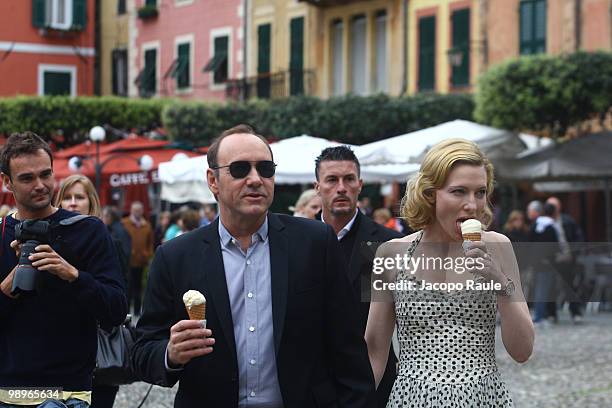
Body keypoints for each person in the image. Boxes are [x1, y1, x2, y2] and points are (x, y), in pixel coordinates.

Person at [132, 125, 375, 408]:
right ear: (213, 180)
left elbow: (348, 348)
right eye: (239, 169)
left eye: (265, 169)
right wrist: (170, 353)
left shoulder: (315, 243)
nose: (255, 179)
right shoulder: (175, 257)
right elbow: (142, 352)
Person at [365, 139, 534, 407]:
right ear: (430, 194)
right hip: (412, 399)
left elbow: (522, 350)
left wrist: (500, 282)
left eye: (480, 192)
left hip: (483, 398)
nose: (473, 205)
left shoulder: (498, 247)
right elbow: (374, 351)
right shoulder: (390, 253)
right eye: (459, 192)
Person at [0, 132, 126, 407]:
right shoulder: (1, 234)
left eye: (46, 174)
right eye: (27, 178)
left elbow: (116, 309)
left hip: (69, 393)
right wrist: (8, 286)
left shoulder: (87, 230)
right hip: (8, 393)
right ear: (7, 182)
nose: (41, 185)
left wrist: (73, 275)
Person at [314, 145, 402, 408]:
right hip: (312, 382)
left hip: (375, 381)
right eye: (332, 179)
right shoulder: (296, 241)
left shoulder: (390, 243)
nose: (341, 188)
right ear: (317, 186)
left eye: (349, 179)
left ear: (360, 184)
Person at [56, 176, 131, 408]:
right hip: (58, 351)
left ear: (91, 203)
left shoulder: (107, 241)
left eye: (79, 197)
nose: (72, 203)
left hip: (98, 350)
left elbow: (118, 297)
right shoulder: (51, 239)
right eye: (66, 198)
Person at [546, 196, 585, 322]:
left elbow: (578, 237)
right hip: (552, 259)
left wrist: (574, 254)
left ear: (559, 207)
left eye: (554, 206)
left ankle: (575, 313)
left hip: (567, 257)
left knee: (569, 286)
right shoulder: (544, 222)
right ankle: (551, 314)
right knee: (550, 286)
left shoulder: (567, 220)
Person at [122, 201, 153, 316]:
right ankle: (126, 310)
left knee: (138, 287)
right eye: (135, 210)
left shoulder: (147, 225)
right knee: (128, 286)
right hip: (128, 261)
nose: (137, 212)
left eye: (139, 210)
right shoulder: (125, 223)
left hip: (141, 261)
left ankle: (136, 311)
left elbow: (150, 242)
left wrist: (148, 254)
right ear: (131, 211)